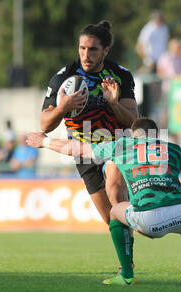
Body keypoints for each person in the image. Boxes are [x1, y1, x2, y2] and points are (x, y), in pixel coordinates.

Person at [26, 118, 181, 287]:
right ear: (156, 135)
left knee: (115, 212)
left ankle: (127, 275)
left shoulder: (121, 147)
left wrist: (45, 142)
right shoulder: (172, 149)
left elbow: (77, 149)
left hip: (146, 220)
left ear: (134, 135)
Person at [40, 20, 138, 270]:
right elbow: (45, 125)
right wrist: (62, 108)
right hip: (82, 152)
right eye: (82, 48)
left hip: (115, 146)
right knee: (110, 218)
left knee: (116, 189)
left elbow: (133, 120)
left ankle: (126, 269)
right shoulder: (64, 78)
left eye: (93, 49)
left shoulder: (121, 76)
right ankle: (130, 253)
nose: (86, 55)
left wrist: (114, 103)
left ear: (105, 51)